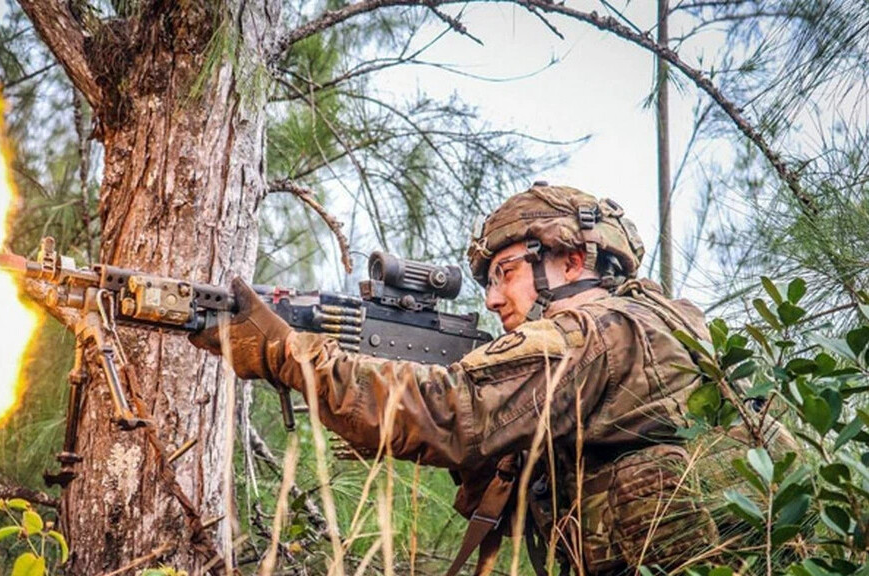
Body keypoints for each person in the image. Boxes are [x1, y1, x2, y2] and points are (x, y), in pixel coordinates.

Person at [190, 182, 719, 575]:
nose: (491, 299)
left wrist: (288, 354)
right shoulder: (659, 324)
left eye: (505, 273)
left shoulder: (589, 334)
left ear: (573, 261)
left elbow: (449, 412)